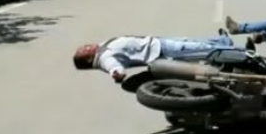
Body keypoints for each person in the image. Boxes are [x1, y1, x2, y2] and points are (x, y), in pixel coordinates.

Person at [73, 33, 237, 83]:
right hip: (159, 50)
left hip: (157, 43)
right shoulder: (105, 58)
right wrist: (116, 74)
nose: (87, 45)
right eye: (85, 50)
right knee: (201, 49)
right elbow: (114, 67)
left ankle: (222, 41)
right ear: (89, 59)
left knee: (193, 43)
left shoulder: (102, 48)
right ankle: (235, 50)